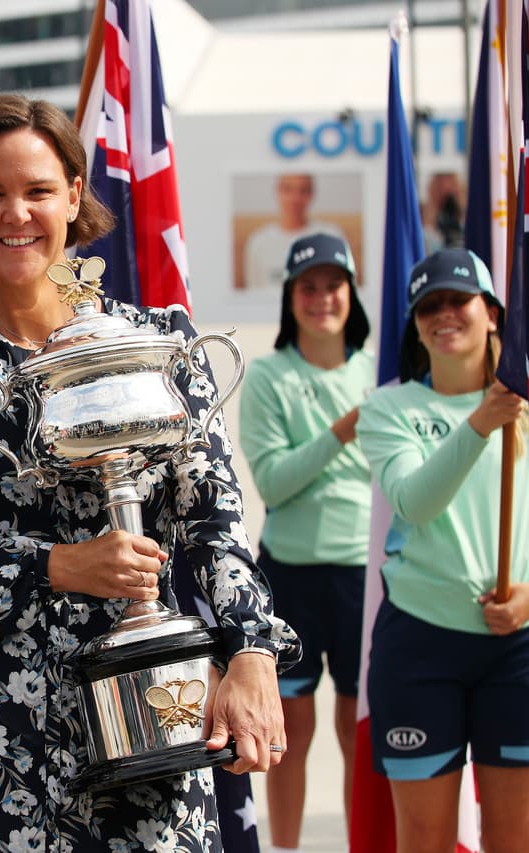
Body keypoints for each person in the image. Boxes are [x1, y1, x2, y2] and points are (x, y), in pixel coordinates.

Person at [0, 93, 299, 851]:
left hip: (149, 730)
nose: (16, 215)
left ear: (73, 193)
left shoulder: (158, 339)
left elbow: (213, 522)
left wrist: (253, 648)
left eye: (36, 190)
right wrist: (61, 566)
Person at [360, 248, 529, 853]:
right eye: (428, 306)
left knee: (513, 838)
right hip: (420, 646)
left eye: (458, 299)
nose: (443, 314)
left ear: (492, 313)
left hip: (519, 651)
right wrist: (481, 423)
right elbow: (413, 502)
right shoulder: (388, 407)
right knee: (425, 841)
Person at [237, 232, 373, 852]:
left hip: (366, 579)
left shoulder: (381, 373)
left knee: (359, 728)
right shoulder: (268, 375)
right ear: (291, 298)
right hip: (290, 574)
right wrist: (341, 432)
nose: (322, 299)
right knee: (288, 729)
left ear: (353, 293)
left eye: (333, 285)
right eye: (308, 287)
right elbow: (275, 481)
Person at [243, 174, 345, 291]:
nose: (295, 199)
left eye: (303, 191)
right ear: (278, 191)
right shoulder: (258, 242)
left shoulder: (332, 237)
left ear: (312, 194)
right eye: (288, 190)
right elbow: (253, 294)